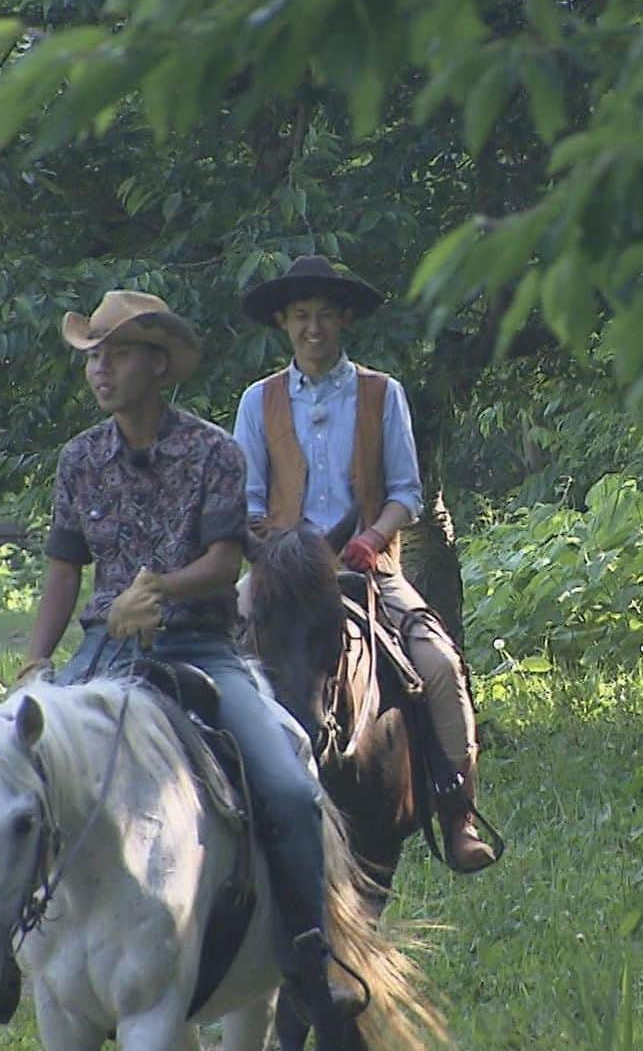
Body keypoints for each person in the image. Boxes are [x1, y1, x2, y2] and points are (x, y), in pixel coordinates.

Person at [20, 288, 363, 1046]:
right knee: (18, 771)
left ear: (160, 365)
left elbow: (223, 560)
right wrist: (38, 661)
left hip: (199, 647)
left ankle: (309, 959)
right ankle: (12, 948)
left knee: (286, 783)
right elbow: (63, 572)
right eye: (93, 357)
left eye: (116, 354)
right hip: (104, 649)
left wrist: (159, 590)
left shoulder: (214, 451)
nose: (100, 371)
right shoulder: (78, 460)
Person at [233, 255, 497, 873]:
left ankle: (458, 812)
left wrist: (373, 537)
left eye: (325, 315)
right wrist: (281, 550)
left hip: (367, 567)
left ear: (345, 320)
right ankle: (215, 797)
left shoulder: (383, 393)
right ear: (284, 323)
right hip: (283, 570)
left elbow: (406, 490)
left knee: (439, 664)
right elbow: (246, 500)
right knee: (217, 648)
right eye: (301, 316)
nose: (313, 328)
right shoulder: (258, 401)